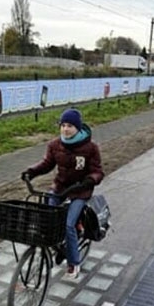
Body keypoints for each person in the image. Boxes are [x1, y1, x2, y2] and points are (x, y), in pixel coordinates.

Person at [21, 108, 104, 279]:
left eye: (70, 126)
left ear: (78, 128)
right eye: (63, 125)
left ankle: (74, 263)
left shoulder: (91, 147)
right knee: (48, 218)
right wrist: (32, 172)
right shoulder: (54, 145)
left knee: (68, 225)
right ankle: (59, 246)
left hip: (80, 191)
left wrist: (90, 180)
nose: (65, 129)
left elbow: (98, 171)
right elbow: (47, 164)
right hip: (60, 188)